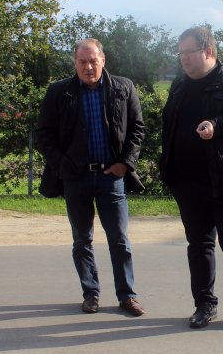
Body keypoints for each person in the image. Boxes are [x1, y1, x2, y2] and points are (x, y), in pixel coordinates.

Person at [159, 26, 223, 333]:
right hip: (189, 182)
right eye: (180, 53)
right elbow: (169, 125)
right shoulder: (180, 85)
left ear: (208, 51)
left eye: (188, 53)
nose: (183, 59)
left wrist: (218, 125)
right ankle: (204, 305)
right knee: (199, 246)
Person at [34, 38, 146, 316]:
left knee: (119, 240)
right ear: (75, 63)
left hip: (111, 178)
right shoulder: (59, 92)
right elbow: (43, 134)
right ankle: (91, 293)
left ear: (103, 60)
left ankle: (127, 296)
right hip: (76, 178)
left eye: (93, 61)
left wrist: (125, 163)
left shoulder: (123, 87)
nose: (88, 67)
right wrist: (62, 165)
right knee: (82, 240)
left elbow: (137, 129)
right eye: (82, 62)